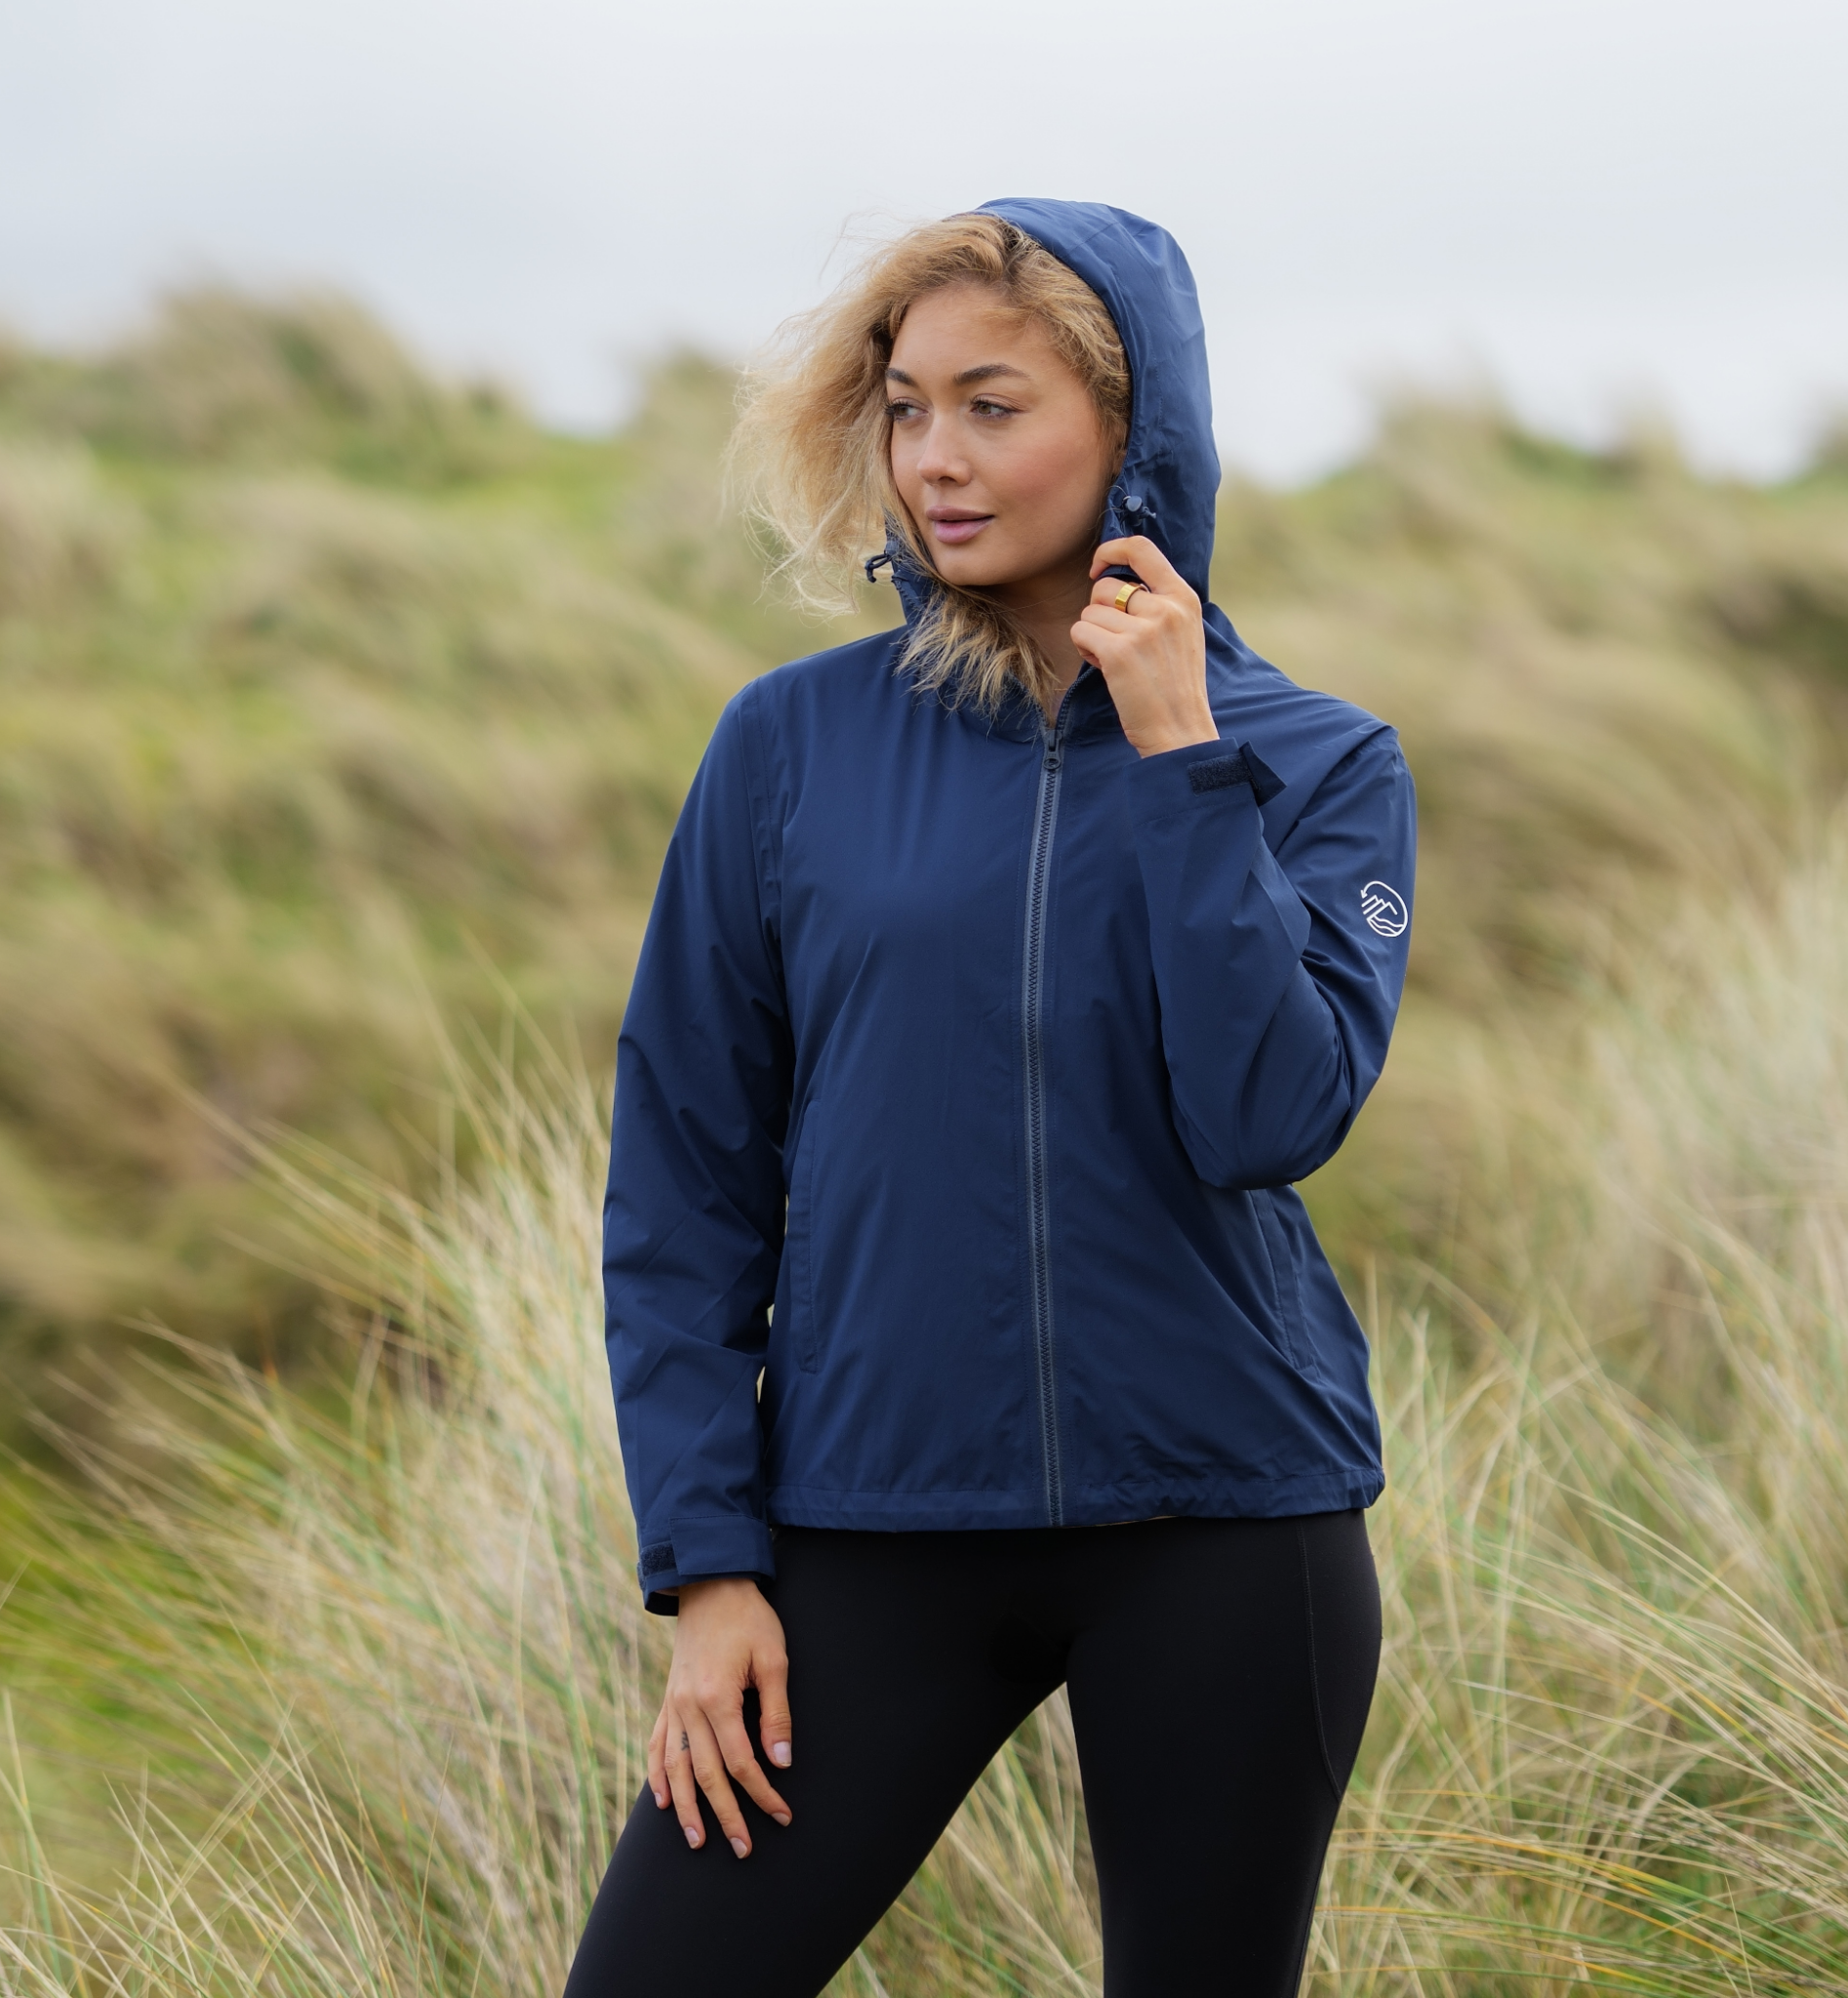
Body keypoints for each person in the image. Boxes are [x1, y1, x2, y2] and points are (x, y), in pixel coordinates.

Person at [565, 199, 1416, 1998]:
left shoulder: (1315, 761)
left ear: (1134, 430)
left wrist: (1181, 755)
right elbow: (687, 1173)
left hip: (1224, 1519)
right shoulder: (789, 746)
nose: (934, 461)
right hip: (869, 1521)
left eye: (993, 407)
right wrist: (707, 1566)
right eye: (904, 409)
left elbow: (1270, 1117)